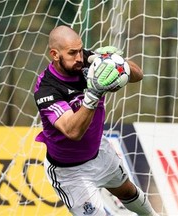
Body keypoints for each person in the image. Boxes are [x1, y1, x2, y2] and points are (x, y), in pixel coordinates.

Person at [34, 25, 158, 216]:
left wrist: (118, 64)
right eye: (72, 53)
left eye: (80, 50)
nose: (79, 57)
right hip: (70, 173)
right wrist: (93, 93)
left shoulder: (86, 59)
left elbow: (138, 75)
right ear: (55, 54)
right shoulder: (46, 88)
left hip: (99, 152)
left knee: (128, 191)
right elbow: (72, 131)